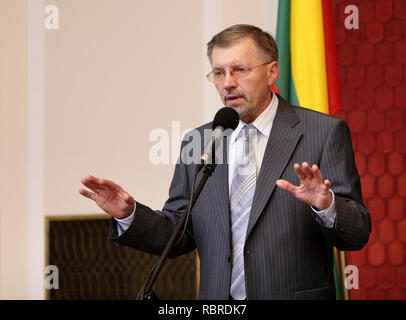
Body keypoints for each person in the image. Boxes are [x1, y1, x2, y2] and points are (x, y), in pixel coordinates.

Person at [79, 24, 371, 300]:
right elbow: (178, 233)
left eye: (240, 70)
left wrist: (327, 205)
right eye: (218, 73)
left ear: (272, 72)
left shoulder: (322, 132)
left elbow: (357, 232)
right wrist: (128, 213)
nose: (228, 83)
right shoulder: (199, 140)